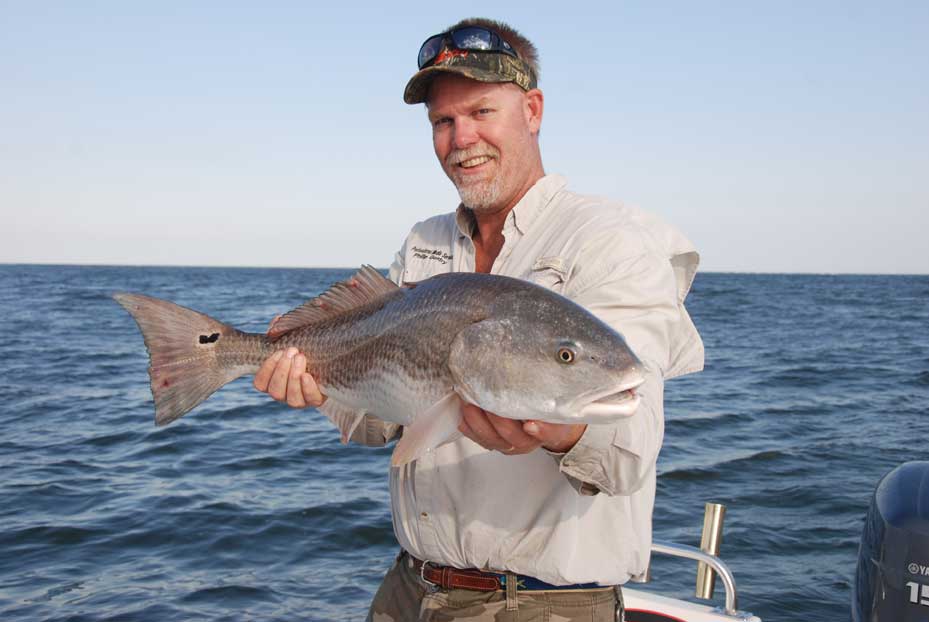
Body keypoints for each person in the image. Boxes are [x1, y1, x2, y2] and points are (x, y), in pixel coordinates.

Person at [253, 17, 703, 622]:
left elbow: (633, 443)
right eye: (443, 121)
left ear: (533, 109)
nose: (462, 138)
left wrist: (563, 429)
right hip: (409, 591)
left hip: (545, 605)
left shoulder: (611, 240)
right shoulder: (424, 243)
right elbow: (384, 422)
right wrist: (318, 388)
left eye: (482, 112)